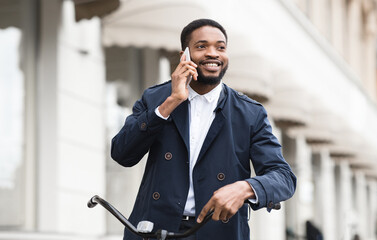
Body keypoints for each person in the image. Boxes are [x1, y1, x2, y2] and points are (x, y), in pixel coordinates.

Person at [111, 19, 297, 240]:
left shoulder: (250, 113)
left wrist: (245, 188)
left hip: (218, 231)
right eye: (201, 46)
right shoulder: (156, 99)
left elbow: (284, 177)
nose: (213, 53)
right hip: (154, 230)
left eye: (220, 47)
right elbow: (122, 153)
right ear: (184, 56)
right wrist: (170, 103)